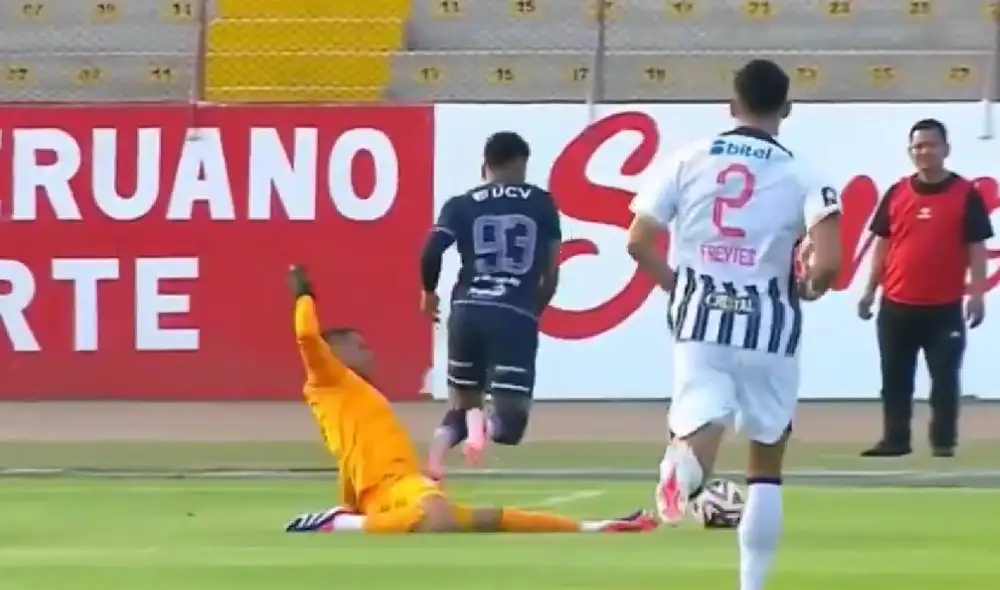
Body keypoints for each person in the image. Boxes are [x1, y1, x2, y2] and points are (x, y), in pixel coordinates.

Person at [625, 59, 842, 589]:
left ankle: (684, 470)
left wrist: (679, 287)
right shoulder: (804, 173)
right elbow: (829, 266)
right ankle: (752, 585)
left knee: (701, 421)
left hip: (701, 319)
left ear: (731, 104)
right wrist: (809, 287)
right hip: (769, 325)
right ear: (786, 109)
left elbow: (637, 239)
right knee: (766, 463)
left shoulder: (689, 159)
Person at [282, 265, 654, 534]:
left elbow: (352, 457)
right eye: (360, 347)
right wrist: (304, 296)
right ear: (336, 353)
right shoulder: (327, 377)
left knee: (492, 519)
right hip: (395, 490)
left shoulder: (353, 395)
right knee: (440, 520)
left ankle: (596, 526)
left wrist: (350, 500)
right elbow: (305, 336)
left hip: (395, 492)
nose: (371, 354)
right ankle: (342, 525)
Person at [419, 131, 562, 480]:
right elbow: (551, 270)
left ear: (484, 165)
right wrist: (533, 310)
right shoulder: (541, 202)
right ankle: (481, 423)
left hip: (466, 310)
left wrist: (428, 292)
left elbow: (431, 251)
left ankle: (436, 458)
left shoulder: (460, 204)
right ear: (520, 164)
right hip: (513, 311)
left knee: (460, 401)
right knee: (510, 423)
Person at [858, 119, 993, 458]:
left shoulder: (966, 194)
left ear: (945, 150)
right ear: (909, 151)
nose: (923, 152)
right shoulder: (897, 192)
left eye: (930, 145)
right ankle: (895, 439)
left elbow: (976, 248)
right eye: (917, 146)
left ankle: (943, 442)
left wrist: (976, 294)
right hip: (897, 305)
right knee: (894, 379)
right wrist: (869, 290)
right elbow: (883, 246)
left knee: (945, 380)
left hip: (944, 309)